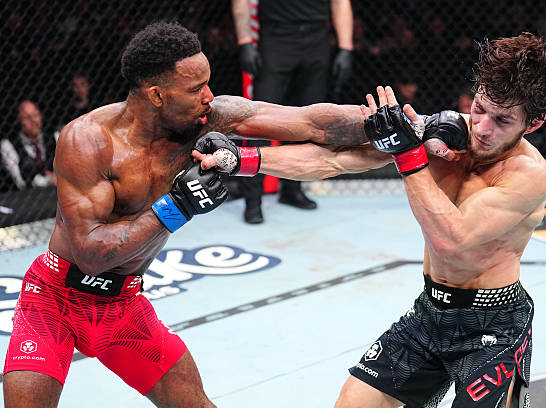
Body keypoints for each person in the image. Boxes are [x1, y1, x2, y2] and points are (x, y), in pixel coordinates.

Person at [3, 20, 380, 407]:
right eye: (195, 88)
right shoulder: (89, 140)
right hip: (54, 302)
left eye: (207, 83)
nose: (209, 96)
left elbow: (309, 122)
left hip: (123, 304)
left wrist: (389, 123)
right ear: (157, 95)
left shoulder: (208, 118)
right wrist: (177, 206)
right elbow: (90, 254)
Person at [194, 32, 546, 407]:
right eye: (480, 108)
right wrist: (241, 160)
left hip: (495, 327)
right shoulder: (446, 131)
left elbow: (451, 239)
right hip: (431, 312)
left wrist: (407, 154)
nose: (482, 128)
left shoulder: (528, 175)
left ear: (533, 124)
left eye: (502, 120)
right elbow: (333, 158)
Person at [231, 0, 354, 223]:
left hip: (316, 39)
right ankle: (252, 198)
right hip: (276, 38)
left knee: (309, 120)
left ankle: (292, 189)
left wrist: (346, 47)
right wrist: (245, 41)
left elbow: (340, 3)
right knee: (260, 122)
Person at [0, 100, 56, 191]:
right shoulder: (8, 145)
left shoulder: (51, 138)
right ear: (20, 122)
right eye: (28, 118)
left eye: (36, 115)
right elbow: (21, 183)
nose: (34, 121)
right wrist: (49, 180)